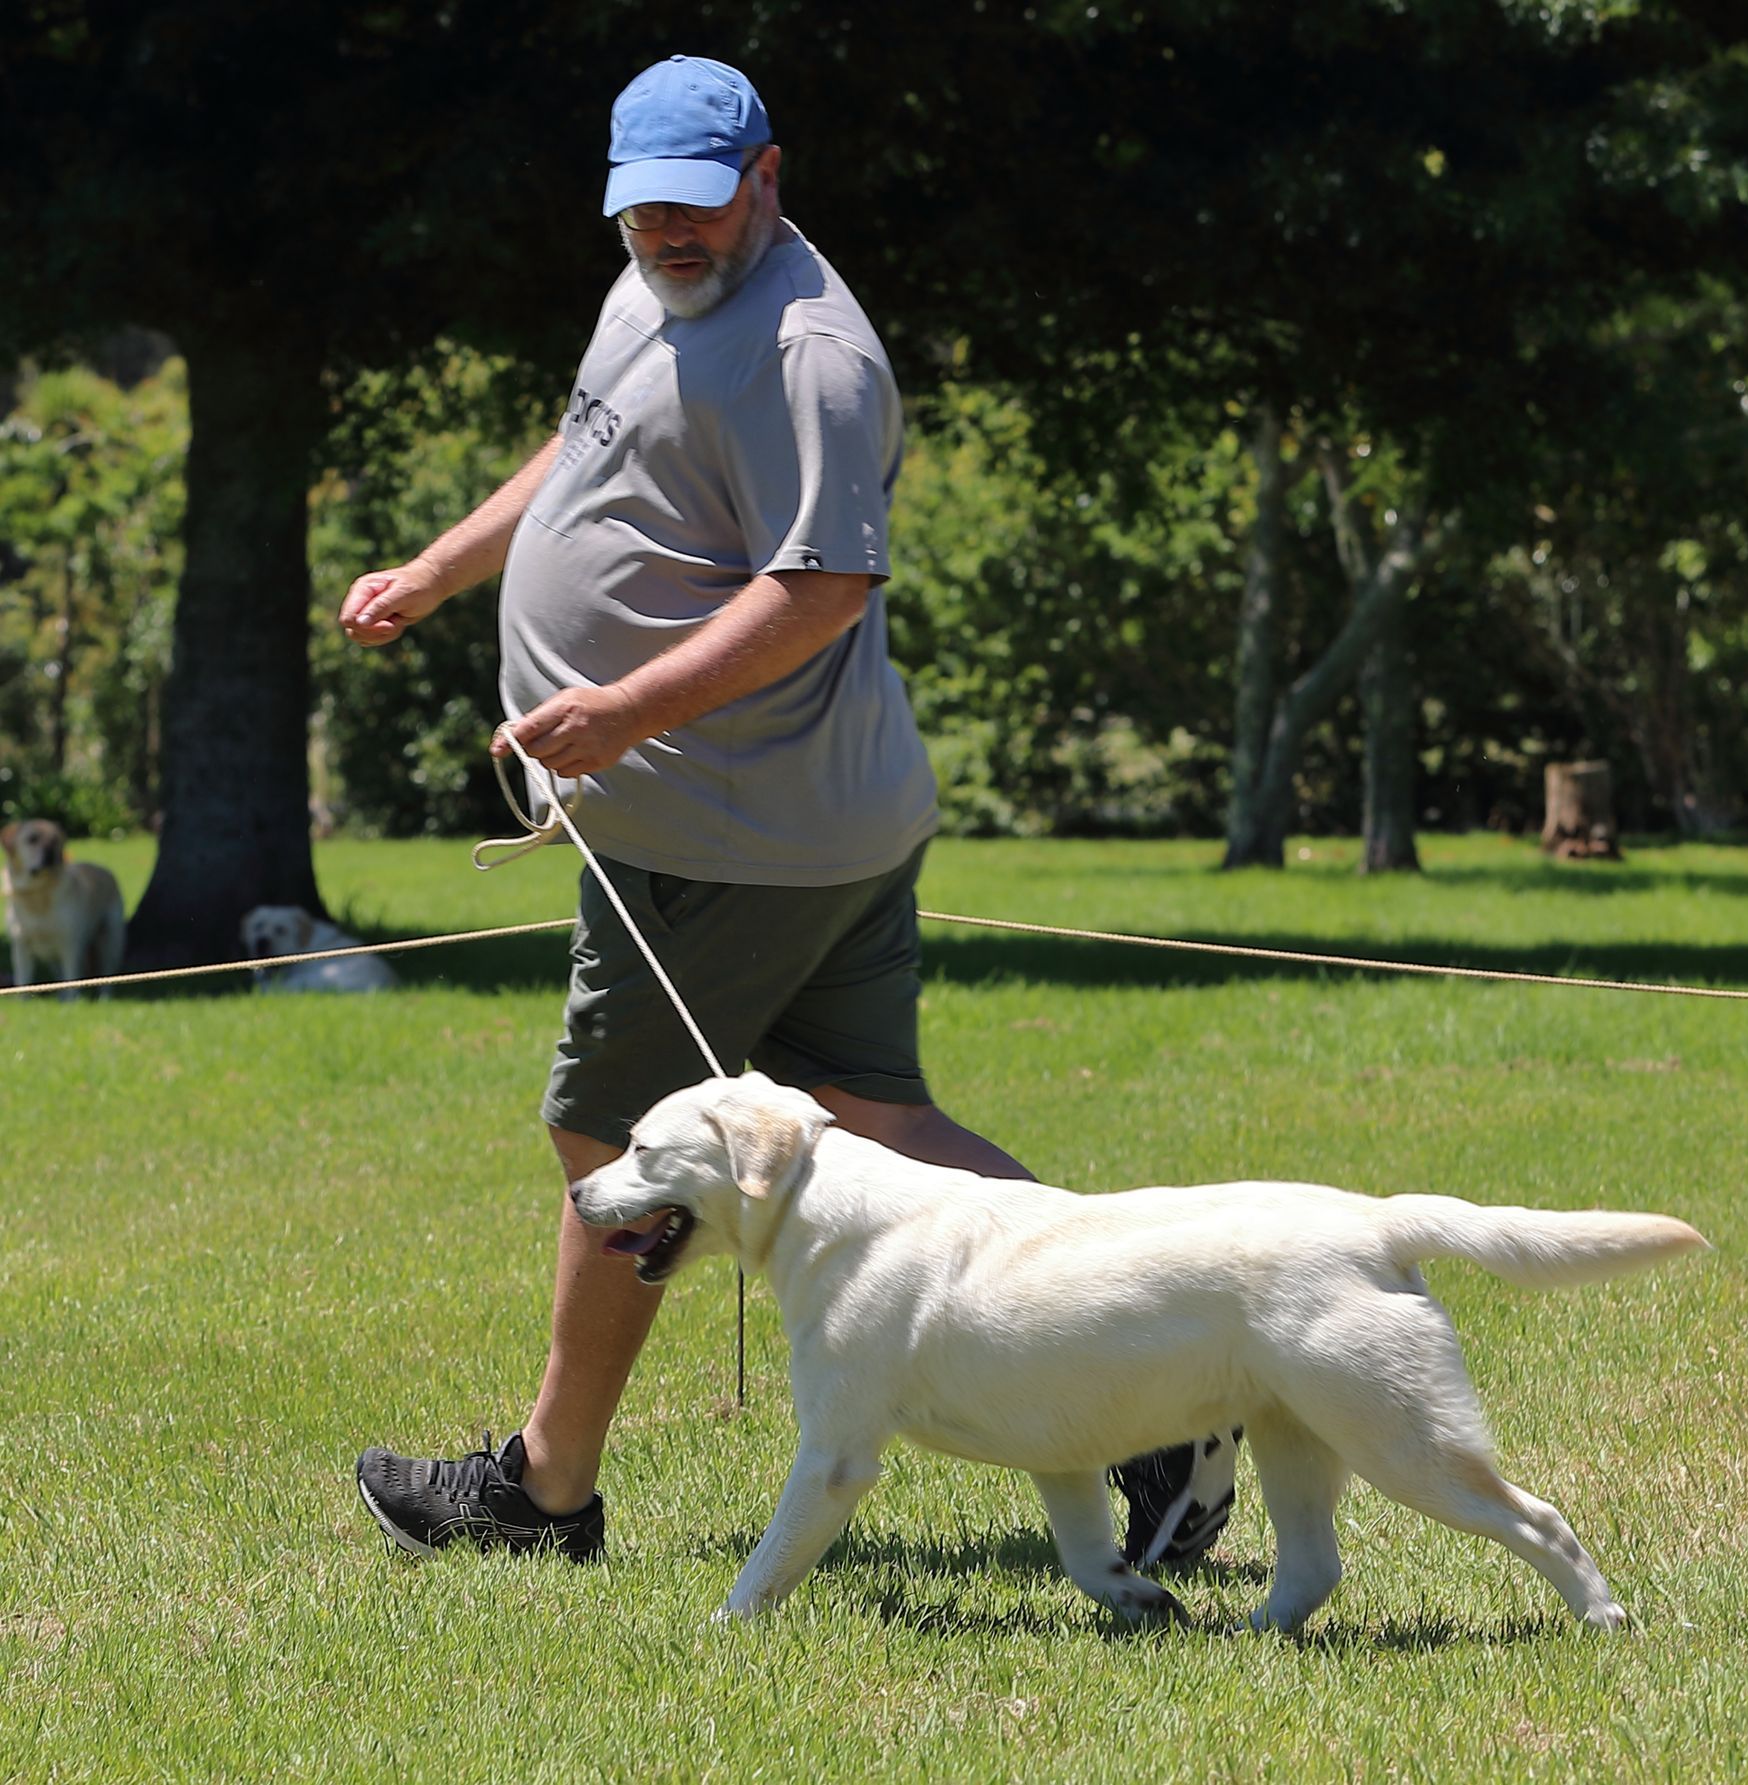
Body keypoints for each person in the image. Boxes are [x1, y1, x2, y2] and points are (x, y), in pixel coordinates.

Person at [340, 53, 1234, 1573]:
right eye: (641, 218)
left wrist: (622, 713)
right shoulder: (656, 289)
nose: (667, 239)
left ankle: (543, 1495)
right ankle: (1168, 1398)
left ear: (767, 176)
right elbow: (586, 446)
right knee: (881, 1121)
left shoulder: (812, 349)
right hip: (791, 821)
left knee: (614, 1141)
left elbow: (822, 586)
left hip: (729, 836)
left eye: (695, 210)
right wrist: (445, 567)